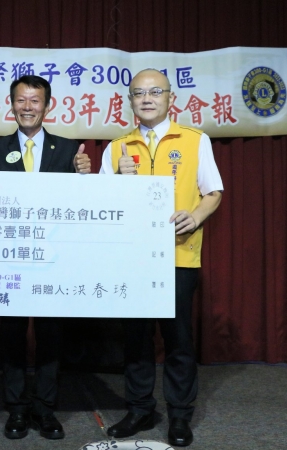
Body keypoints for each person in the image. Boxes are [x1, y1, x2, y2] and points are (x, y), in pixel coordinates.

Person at [0, 74, 91, 440]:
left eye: (35, 101)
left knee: (51, 336)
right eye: (21, 100)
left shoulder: (69, 150)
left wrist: (86, 177)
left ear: (48, 106)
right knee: (12, 335)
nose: (27, 107)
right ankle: (16, 408)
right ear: (11, 104)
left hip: (52, 261)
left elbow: (82, 207)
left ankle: (45, 408)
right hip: (9, 260)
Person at [98, 69, 223, 447]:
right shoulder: (117, 148)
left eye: (155, 92)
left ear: (171, 98)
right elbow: (100, 204)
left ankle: (180, 415)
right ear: (130, 101)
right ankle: (139, 409)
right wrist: (117, 179)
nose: (147, 99)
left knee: (178, 339)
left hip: (178, 256)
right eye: (139, 93)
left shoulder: (194, 140)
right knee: (136, 339)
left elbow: (213, 192)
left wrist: (195, 217)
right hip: (133, 260)